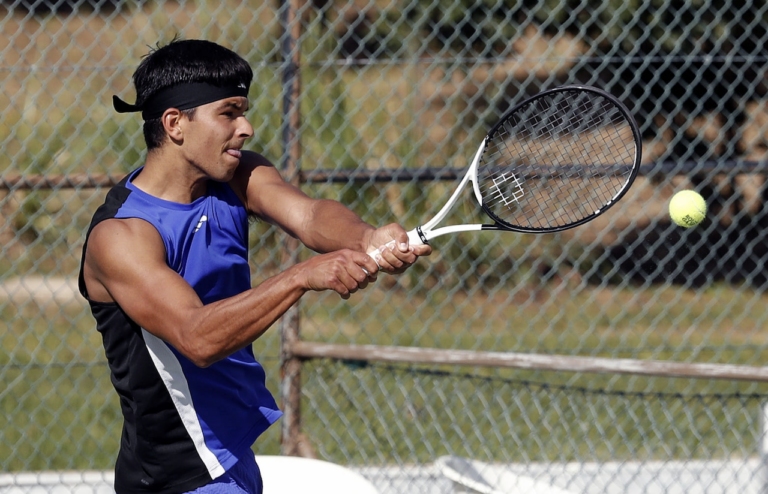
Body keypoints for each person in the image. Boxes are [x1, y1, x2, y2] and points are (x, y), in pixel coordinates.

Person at [77, 38, 430, 494]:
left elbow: (308, 214)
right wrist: (301, 276)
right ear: (175, 124)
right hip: (179, 474)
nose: (246, 128)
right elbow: (196, 337)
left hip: (231, 455)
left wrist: (366, 237)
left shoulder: (235, 178)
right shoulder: (122, 236)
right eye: (229, 112)